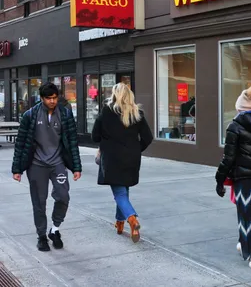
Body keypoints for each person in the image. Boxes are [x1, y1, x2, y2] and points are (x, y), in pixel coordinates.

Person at [11, 82, 82, 252]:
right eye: (49, 98)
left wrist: (76, 167)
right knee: (39, 202)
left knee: (63, 196)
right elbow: (21, 143)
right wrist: (17, 169)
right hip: (36, 165)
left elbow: (72, 141)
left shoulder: (65, 114)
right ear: (42, 98)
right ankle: (41, 236)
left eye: (55, 98)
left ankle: (55, 229)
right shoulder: (30, 115)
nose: (52, 101)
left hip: (58, 163)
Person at [215, 86, 251, 272]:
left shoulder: (235, 126)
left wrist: (220, 178)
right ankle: (244, 242)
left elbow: (228, 158)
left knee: (248, 214)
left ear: (241, 108)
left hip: (244, 177)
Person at [91, 83, 153, 243]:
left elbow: (95, 136)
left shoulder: (106, 111)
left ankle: (132, 219)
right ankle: (119, 223)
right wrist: (136, 149)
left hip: (112, 158)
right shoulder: (136, 112)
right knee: (123, 190)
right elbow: (148, 137)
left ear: (114, 95)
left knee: (119, 193)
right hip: (131, 158)